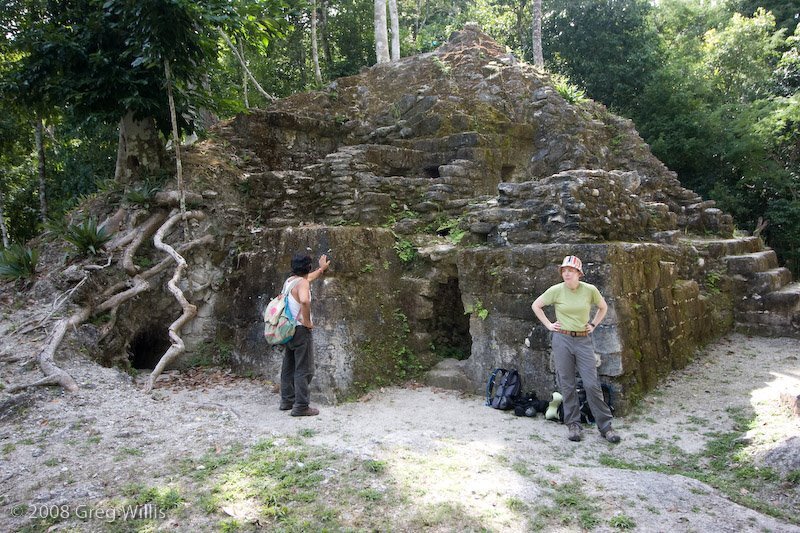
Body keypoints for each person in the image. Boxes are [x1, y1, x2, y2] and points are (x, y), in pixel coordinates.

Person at [531, 255, 621, 443]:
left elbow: (602, 307)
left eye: (570, 271)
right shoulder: (556, 290)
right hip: (562, 339)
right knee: (567, 383)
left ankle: (606, 427)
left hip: (582, 340)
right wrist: (549, 325)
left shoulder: (590, 290)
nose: (566, 274)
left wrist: (594, 324)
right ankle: (573, 425)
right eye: (564, 271)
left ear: (579, 273)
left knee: (591, 384)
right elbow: (536, 305)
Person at [279, 252, 330, 417]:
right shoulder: (303, 284)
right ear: (307, 267)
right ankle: (301, 406)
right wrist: (307, 321)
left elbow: (307, 279)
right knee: (304, 368)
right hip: (301, 329)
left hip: (288, 329)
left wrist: (321, 269)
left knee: (289, 365)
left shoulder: (290, 282)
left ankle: (287, 400)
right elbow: (305, 301)